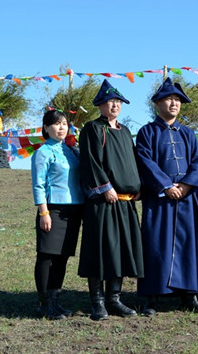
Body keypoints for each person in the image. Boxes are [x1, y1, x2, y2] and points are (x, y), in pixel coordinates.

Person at [135, 78, 198, 315]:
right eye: (169, 99)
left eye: (177, 100)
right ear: (158, 104)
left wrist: (186, 186)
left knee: (189, 245)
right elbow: (144, 161)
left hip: (187, 200)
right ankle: (152, 297)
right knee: (156, 246)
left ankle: (189, 296)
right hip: (159, 201)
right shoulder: (147, 132)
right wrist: (166, 186)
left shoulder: (188, 133)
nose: (174, 103)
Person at [78, 79, 145, 321]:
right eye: (110, 102)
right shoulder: (93, 129)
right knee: (101, 250)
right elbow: (90, 162)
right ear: (100, 105)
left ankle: (114, 299)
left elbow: (132, 162)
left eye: (118, 101)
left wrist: (139, 187)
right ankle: (97, 302)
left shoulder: (126, 131)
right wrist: (104, 188)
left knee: (120, 252)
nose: (114, 105)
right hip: (104, 202)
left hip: (126, 202)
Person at [31, 110, 85, 320]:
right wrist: (44, 212)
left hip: (74, 210)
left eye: (64, 124)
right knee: (46, 257)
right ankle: (44, 304)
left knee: (62, 257)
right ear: (46, 128)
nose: (61, 127)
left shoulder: (72, 151)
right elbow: (39, 185)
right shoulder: (43, 152)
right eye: (56, 124)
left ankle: (55, 300)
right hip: (52, 210)